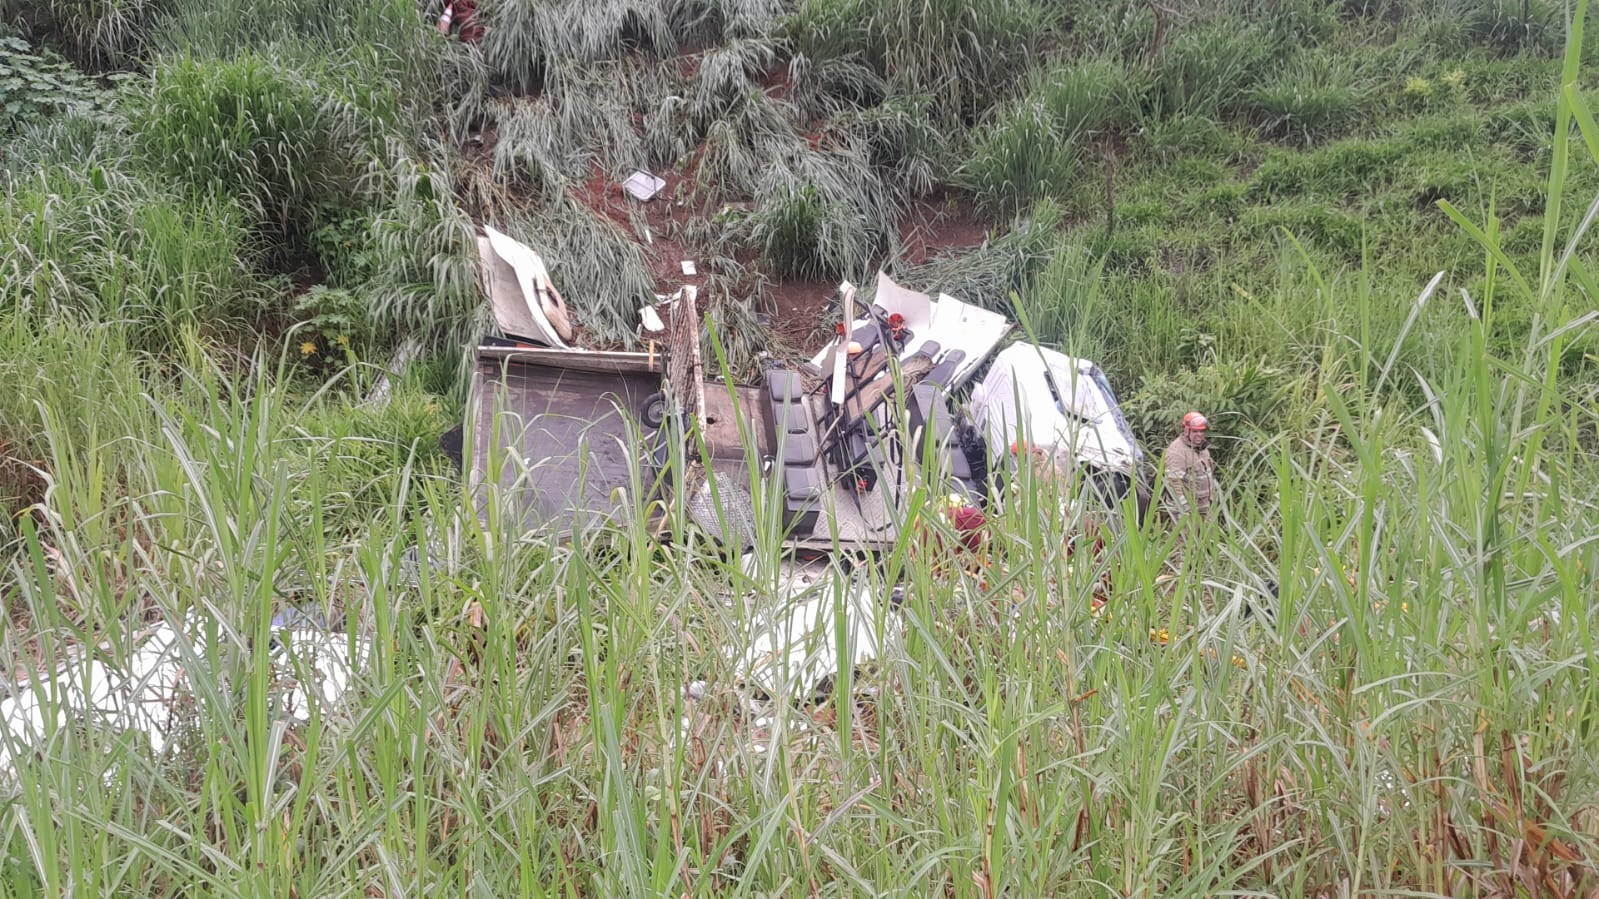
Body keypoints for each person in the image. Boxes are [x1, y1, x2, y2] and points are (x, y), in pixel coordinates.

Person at [1162, 411, 1218, 521]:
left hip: (1204, 506)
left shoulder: (1202, 448)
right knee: (1186, 538)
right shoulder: (1177, 451)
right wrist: (1185, 508)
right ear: (1187, 430)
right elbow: (1173, 483)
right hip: (1185, 510)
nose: (1199, 434)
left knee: (1209, 536)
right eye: (1195, 431)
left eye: (1202, 431)